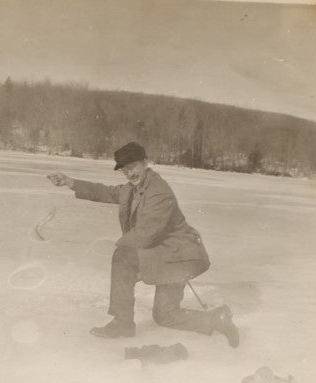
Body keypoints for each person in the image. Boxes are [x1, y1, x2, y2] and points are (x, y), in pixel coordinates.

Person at [48, 141, 239, 347]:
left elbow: (146, 234)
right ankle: (217, 318)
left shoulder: (158, 191)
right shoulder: (134, 188)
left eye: (133, 167)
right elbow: (107, 192)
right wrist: (71, 182)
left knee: (123, 256)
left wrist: (116, 246)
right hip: (165, 254)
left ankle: (123, 324)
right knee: (165, 315)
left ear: (145, 162)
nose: (130, 174)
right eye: (125, 170)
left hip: (179, 257)